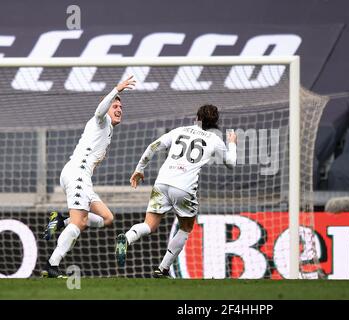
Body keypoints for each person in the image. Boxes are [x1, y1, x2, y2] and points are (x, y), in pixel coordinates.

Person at [115, 104, 237, 278]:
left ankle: (127, 238)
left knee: (149, 225)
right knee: (186, 227)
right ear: (215, 121)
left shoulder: (179, 130)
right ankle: (163, 268)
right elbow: (231, 164)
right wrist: (232, 144)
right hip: (184, 188)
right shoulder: (214, 139)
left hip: (162, 183)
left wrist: (140, 168)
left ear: (197, 117)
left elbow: (153, 146)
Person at [41, 76, 136, 278]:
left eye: (120, 107)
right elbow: (99, 110)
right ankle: (52, 265)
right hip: (77, 174)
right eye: (115, 106)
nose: (118, 109)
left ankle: (60, 221)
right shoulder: (101, 121)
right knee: (79, 223)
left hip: (82, 178)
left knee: (107, 218)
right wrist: (116, 88)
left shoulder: (107, 129)